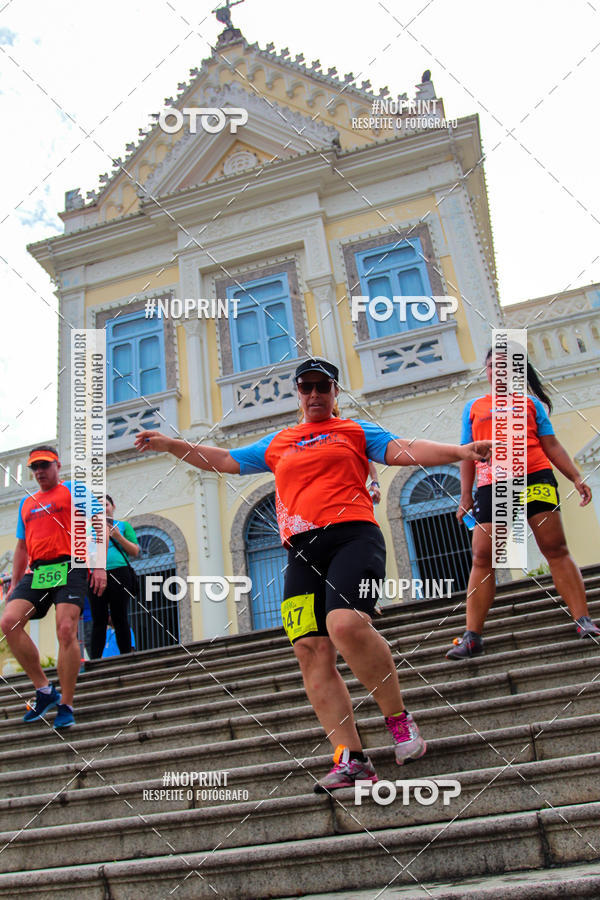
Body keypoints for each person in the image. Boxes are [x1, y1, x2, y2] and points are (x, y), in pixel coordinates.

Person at [134, 358, 492, 791]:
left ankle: (398, 720)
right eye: (307, 387)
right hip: (302, 551)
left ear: (335, 391)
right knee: (308, 647)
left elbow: (403, 448)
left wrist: (460, 452)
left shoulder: (355, 432)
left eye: (324, 386)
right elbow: (225, 459)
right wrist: (173, 445)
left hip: (354, 538)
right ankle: (351, 758)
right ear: (298, 393)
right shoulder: (280, 441)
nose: (315, 394)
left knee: (344, 623)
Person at [449, 350, 599, 660]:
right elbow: (468, 453)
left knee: (555, 548)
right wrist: (466, 495)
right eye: (491, 367)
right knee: (482, 556)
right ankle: (472, 636)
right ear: (486, 371)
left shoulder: (531, 405)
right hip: (494, 484)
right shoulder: (474, 407)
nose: (496, 372)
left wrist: (575, 477)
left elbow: (552, 445)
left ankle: (583, 620)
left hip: (535, 478)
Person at [0, 446, 107, 728]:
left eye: (45, 466)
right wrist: (13, 584)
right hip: (39, 571)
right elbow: (22, 547)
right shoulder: (27, 503)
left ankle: (66, 704)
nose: (39, 472)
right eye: (35, 468)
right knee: (9, 621)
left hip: (71, 565)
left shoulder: (75, 490)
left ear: (57, 465)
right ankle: (45, 690)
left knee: (65, 630)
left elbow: (99, 525)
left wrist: (98, 565)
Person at [88, 494, 139, 658]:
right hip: (94, 575)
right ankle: (95, 661)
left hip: (119, 572)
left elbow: (135, 551)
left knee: (120, 616)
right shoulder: (87, 530)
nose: (103, 509)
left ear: (113, 507)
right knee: (98, 619)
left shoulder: (123, 526)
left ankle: (125, 658)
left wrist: (117, 536)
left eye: (106, 505)